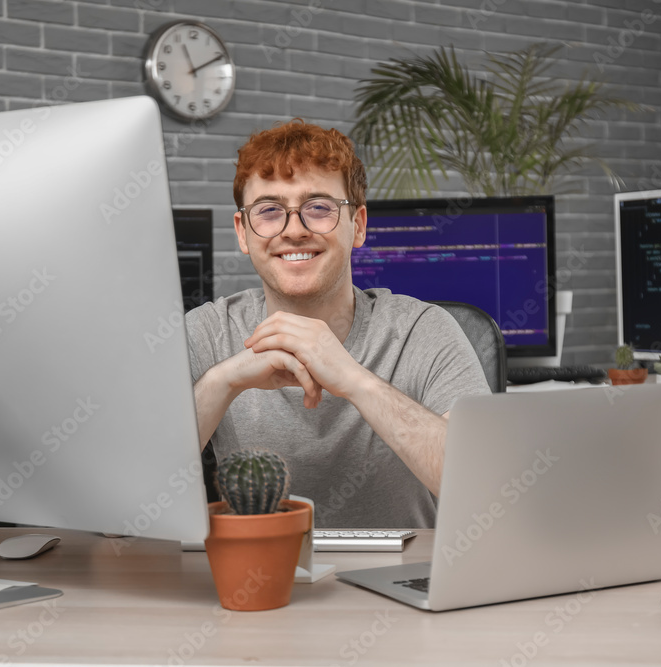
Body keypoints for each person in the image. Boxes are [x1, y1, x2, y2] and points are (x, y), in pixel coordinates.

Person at [185, 119, 490, 528]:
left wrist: (353, 379)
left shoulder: (424, 330)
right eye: (270, 211)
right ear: (243, 232)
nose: (294, 230)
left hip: (400, 583)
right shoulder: (207, 332)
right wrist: (223, 381)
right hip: (261, 582)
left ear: (358, 224)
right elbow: (133, 498)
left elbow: (484, 486)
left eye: (319, 208)